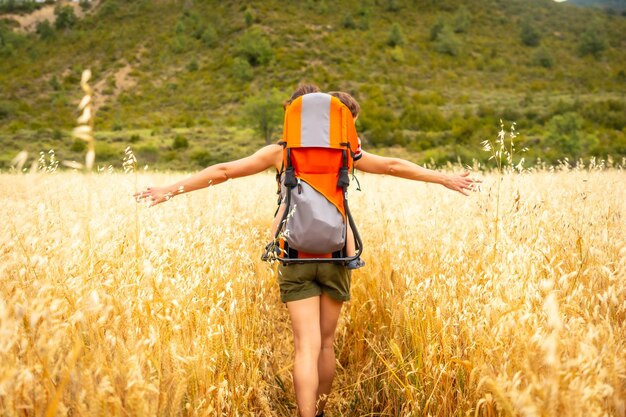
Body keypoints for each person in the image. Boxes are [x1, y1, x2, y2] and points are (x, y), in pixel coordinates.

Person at [134, 84, 479, 417]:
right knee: (326, 345)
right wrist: (444, 178)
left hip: (294, 255)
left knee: (305, 346)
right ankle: (322, 411)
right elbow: (393, 166)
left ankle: (306, 414)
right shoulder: (346, 153)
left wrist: (170, 189)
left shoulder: (280, 153)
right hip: (337, 256)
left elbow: (223, 171)